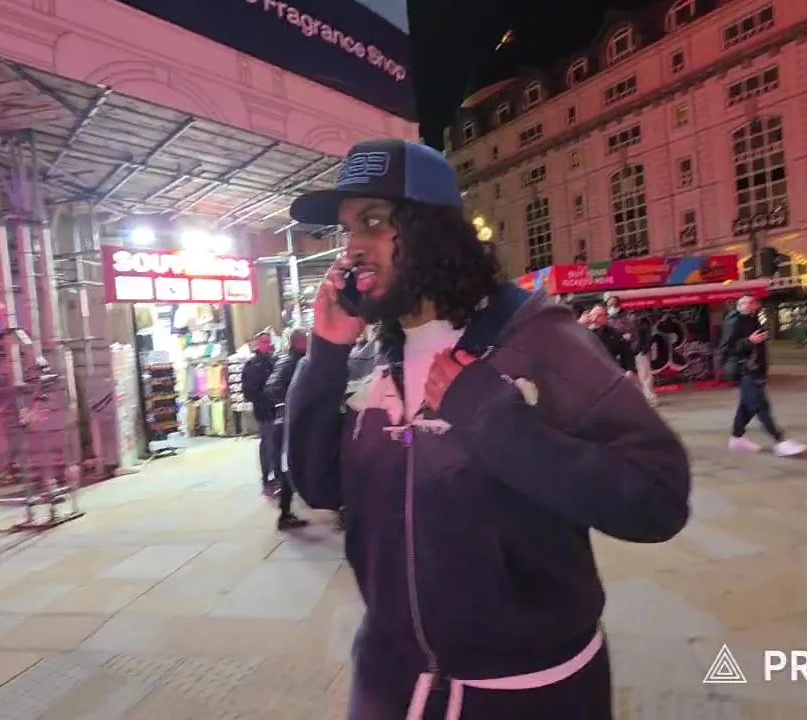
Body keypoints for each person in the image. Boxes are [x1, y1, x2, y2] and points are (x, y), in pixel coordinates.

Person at [284, 139, 692, 720]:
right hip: (390, 683)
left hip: (527, 692)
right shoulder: (371, 354)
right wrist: (325, 354)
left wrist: (490, 418)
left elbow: (657, 499)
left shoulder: (538, 339)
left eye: (373, 223)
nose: (352, 249)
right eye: (347, 230)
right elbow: (320, 485)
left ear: (432, 230)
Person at [718, 295, 807, 457]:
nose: (757, 305)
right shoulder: (734, 321)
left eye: (756, 303)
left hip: (754, 369)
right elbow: (725, 349)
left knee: (746, 408)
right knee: (761, 406)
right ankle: (779, 441)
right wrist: (749, 341)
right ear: (743, 305)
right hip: (744, 370)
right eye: (753, 303)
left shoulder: (751, 319)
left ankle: (737, 438)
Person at [265, 328, 310, 530]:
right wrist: (290, 402)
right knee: (288, 466)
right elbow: (272, 388)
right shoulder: (292, 362)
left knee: (291, 466)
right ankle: (284, 514)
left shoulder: (295, 360)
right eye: (306, 339)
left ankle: (287, 511)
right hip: (287, 423)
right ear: (298, 342)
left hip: (290, 421)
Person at [239, 331, 279, 496]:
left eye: (268, 341)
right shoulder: (253, 365)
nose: (268, 345)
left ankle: (275, 475)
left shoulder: (274, 361)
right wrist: (267, 398)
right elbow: (249, 392)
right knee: (268, 443)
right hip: (264, 410)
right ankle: (267, 476)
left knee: (276, 443)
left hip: (276, 409)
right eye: (264, 342)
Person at [605, 295, 657, 406]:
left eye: (614, 304)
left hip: (638, 349)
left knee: (645, 375)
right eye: (609, 305)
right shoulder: (606, 320)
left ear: (619, 305)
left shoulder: (629, 317)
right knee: (629, 377)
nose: (612, 307)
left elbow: (640, 333)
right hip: (621, 353)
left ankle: (651, 398)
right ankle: (637, 400)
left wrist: (641, 345)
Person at [579, 305, 635, 374]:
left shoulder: (614, 333)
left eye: (605, 315)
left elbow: (626, 352)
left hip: (612, 370)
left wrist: (629, 369)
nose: (607, 317)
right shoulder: (584, 333)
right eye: (603, 315)